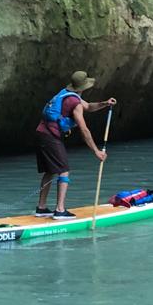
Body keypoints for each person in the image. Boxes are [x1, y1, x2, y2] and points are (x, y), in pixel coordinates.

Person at [34, 70, 117, 219]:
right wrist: (96, 151)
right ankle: (60, 210)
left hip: (41, 133)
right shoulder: (75, 102)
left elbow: (89, 107)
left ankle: (41, 208)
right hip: (50, 137)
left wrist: (105, 104)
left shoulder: (66, 94)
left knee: (50, 170)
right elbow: (84, 130)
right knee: (64, 170)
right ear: (83, 87)